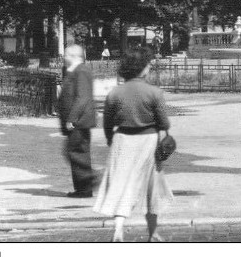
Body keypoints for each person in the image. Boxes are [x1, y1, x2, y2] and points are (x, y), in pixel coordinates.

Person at [94, 47, 174, 242]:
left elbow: (107, 123)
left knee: (122, 183)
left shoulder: (114, 93)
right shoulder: (154, 92)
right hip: (148, 140)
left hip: (122, 139)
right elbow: (164, 123)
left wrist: (110, 139)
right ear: (144, 69)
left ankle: (118, 229)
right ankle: (153, 232)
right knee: (151, 186)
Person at [58, 44, 97, 198]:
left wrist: (72, 119)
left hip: (79, 122)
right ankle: (84, 188)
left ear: (75, 56)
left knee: (75, 152)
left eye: (66, 54)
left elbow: (83, 97)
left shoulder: (81, 71)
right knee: (76, 152)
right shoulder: (73, 71)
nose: (63, 57)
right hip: (77, 121)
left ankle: (89, 182)